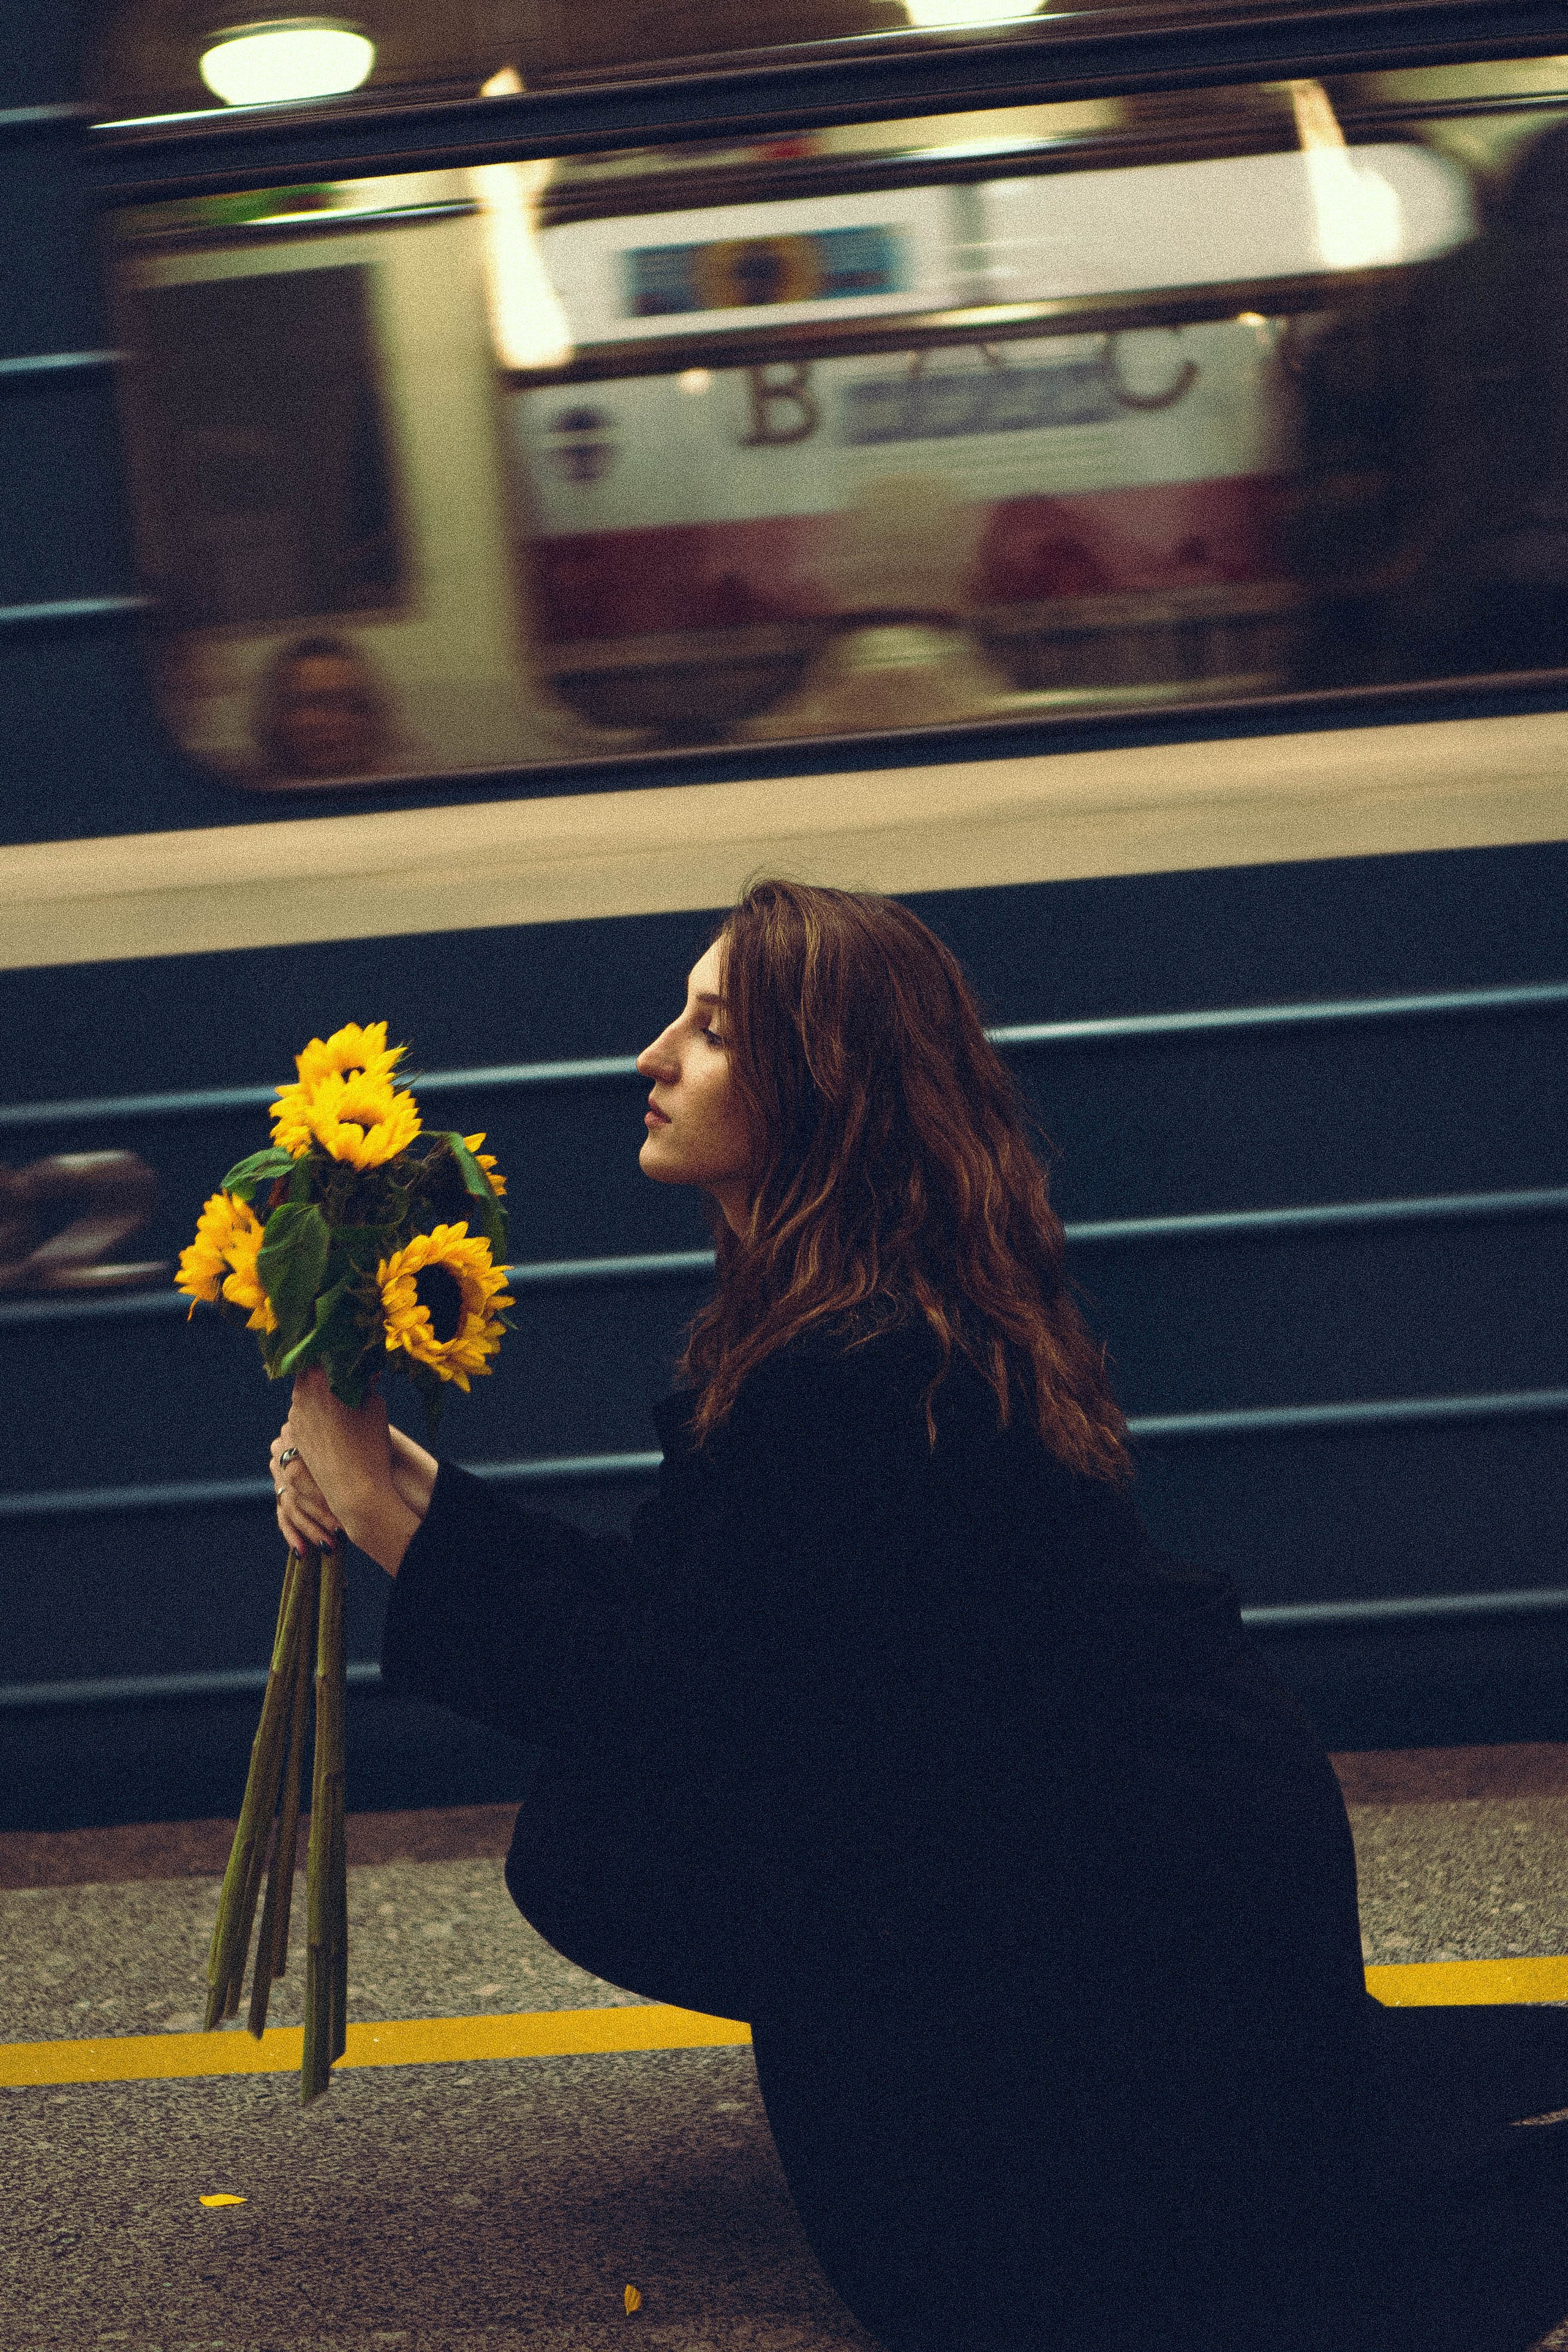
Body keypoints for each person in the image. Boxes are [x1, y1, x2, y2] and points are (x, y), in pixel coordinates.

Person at [270, 878, 1568, 2352]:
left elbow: (677, 1701)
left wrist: (379, 1508)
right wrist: (406, 1487)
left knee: (954, 2247)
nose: (649, 1056)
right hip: (1135, 1850)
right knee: (594, 1820)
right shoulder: (847, 1314)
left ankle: (1038, 2099)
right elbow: (707, 1619)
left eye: (706, 1030)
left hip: (1138, 1900)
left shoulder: (862, 1362)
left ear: (819, 1087)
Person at [253, 633, 394, 779]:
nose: (326, 721)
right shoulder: (254, 791)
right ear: (278, 715)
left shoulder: (401, 783)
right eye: (307, 704)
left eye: (348, 703)